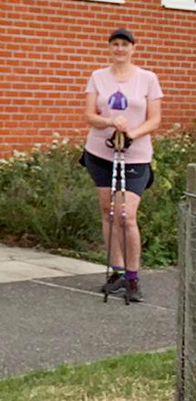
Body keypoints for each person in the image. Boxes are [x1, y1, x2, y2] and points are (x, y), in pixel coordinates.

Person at [83, 28, 161, 303]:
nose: (120, 49)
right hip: (101, 153)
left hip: (135, 155)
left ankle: (133, 277)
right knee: (108, 211)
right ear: (110, 48)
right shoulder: (97, 77)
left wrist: (132, 134)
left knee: (126, 214)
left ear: (133, 49)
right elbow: (90, 114)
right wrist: (109, 123)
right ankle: (116, 271)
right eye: (115, 44)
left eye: (124, 45)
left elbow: (155, 119)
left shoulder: (147, 79)